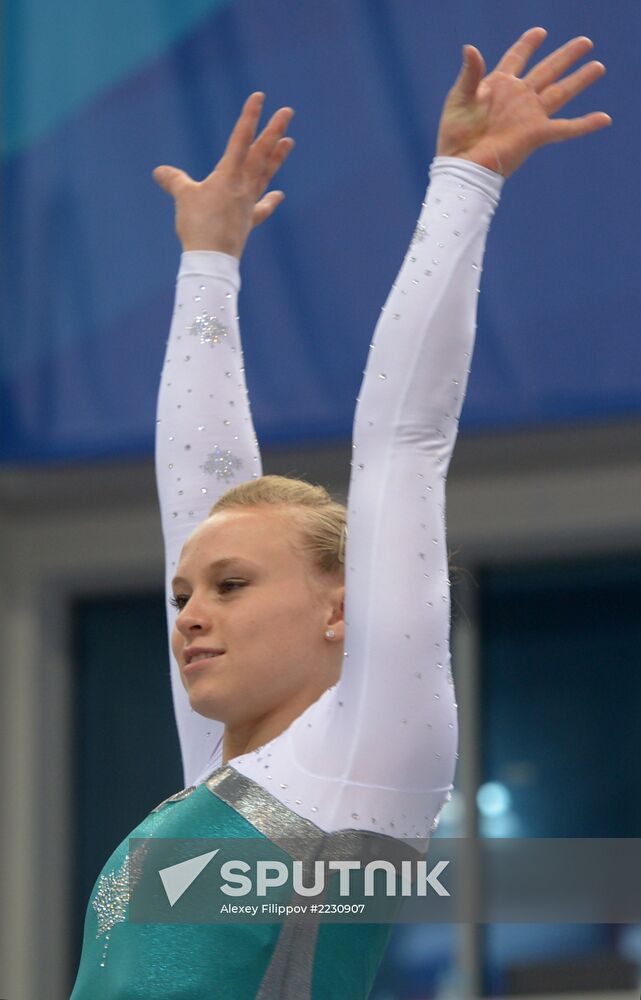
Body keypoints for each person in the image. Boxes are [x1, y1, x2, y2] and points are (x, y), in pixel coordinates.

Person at [70, 27, 610, 998]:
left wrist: (464, 181)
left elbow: (402, 442)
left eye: (231, 587)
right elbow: (198, 485)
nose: (188, 613)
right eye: (183, 591)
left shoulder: (370, 755)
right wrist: (208, 261)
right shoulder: (223, 776)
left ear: (340, 607)